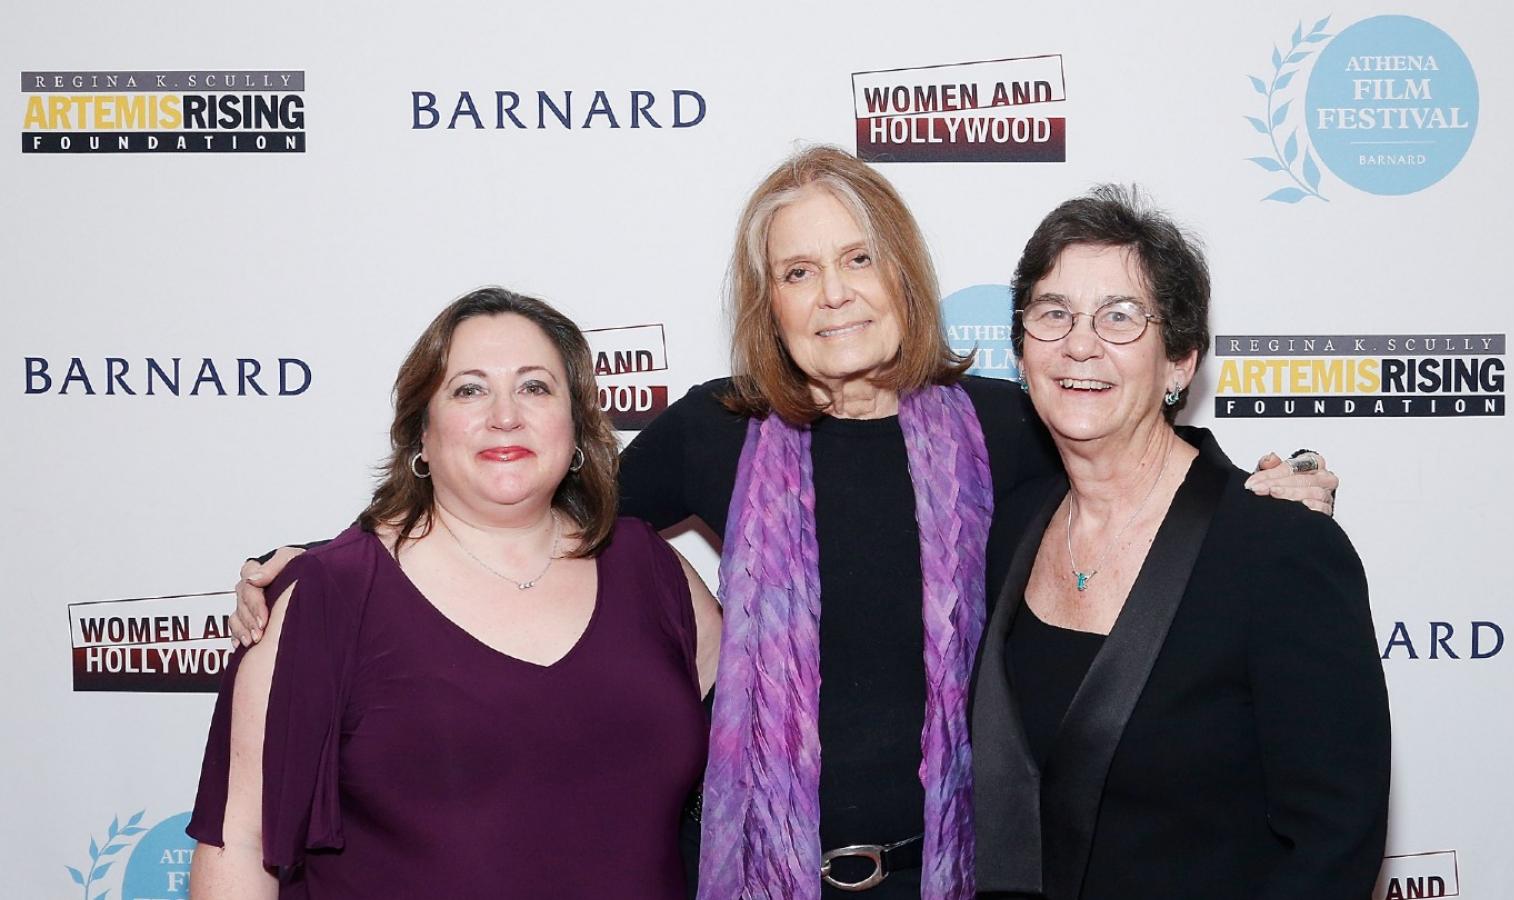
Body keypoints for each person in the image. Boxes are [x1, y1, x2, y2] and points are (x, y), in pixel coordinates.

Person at [228, 148, 1339, 899]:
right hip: (759, 873)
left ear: (899, 273)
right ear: (768, 303)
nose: (834, 294)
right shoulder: (714, 432)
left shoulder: (1007, 425)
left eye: (857, 260)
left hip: (957, 876)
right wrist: (342, 556)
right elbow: (519, 497)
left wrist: (1270, 482)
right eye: (797, 272)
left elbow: (1140, 463)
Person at [186, 288, 721, 899]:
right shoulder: (327, 597)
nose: (505, 415)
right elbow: (242, 842)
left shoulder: (650, 569)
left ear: (576, 425)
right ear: (421, 431)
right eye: (469, 389)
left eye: (536, 387)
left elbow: (771, 727)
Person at [969, 187, 1390, 899]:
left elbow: (1333, 844)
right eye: (1053, 313)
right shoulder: (1013, 523)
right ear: (1019, 349)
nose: (1080, 343)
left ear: (1180, 362)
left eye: (1121, 317)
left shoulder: (1275, 548)